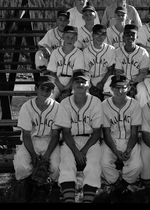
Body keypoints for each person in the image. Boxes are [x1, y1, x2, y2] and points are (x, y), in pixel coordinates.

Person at [54, 70, 104, 203]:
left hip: (91, 140)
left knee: (93, 164)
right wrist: (76, 152)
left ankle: (87, 200)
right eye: (77, 81)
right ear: (72, 84)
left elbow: (97, 132)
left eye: (83, 81)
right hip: (71, 140)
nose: (80, 84)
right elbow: (65, 132)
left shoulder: (96, 102)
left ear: (88, 85)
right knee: (66, 163)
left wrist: (83, 151)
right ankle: (69, 200)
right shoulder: (65, 103)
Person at [13, 75, 62, 203]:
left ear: (52, 92)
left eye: (49, 90)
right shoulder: (27, 107)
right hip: (31, 142)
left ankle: (53, 189)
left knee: (57, 167)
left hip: (50, 141)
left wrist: (47, 154)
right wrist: (33, 154)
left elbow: (56, 135)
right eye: (42, 88)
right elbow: (26, 135)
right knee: (21, 165)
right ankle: (32, 186)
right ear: (36, 88)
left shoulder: (57, 107)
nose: (45, 92)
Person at [100, 74, 143, 203]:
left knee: (137, 166)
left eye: (123, 88)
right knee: (103, 164)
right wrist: (115, 151)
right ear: (111, 88)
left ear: (128, 88)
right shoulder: (104, 105)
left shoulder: (134, 104)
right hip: (111, 141)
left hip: (129, 140)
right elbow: (106, 134)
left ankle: (120, 187)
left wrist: (128, 150)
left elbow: (134, 134)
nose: (120, 91)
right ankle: (122, 190)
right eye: (117, 88)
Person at [103, 24, 150, 101]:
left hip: (138, 81)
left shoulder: (142, 52)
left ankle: (142, 111)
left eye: (133, 34)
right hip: (121, 80)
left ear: (137, 37)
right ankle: (107, 107)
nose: (130, 37)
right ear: (123, 37)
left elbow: (143, 72)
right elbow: (118, 71)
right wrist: (126, 85)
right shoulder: (118, 51)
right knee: (109, 82)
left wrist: (134, 84)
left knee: (142, 90)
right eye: (127, 34)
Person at [47, 25, 85, 101]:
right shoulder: (55, 52)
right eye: (67, 37)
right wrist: (61, 88)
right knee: (49, 97)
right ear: (63, 37)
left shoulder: (79, 53)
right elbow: (52, 73)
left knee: (76, 98)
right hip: (57, 82)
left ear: (76, 39)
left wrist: (67, 89)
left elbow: (77, 74)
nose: (70, 40)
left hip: (73, 83)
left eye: (72, 37)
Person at [83, 23, 116, 100]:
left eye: (102, 34)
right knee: (82, 81)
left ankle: (106, 103)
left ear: (106, 36)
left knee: (112, 78)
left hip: (104, 78)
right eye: (97, 34)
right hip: (90, 78)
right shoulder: (86, 51)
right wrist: (91, 86)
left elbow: (110, 70)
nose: (100, 37)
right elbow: (85, 72)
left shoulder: (111, 49)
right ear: (92, 35)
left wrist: (102, 82)